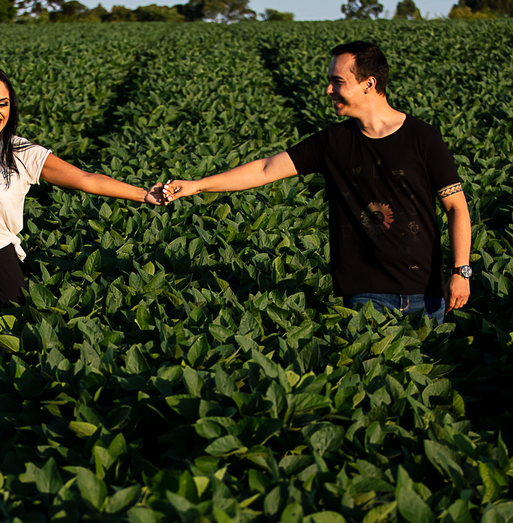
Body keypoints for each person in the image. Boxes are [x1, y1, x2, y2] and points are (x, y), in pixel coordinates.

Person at [162, 41, 471, 324]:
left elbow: (456, 206)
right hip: (365, 294)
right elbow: (266, 169)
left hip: (425, 292)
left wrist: (461, 271)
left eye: (338, 82)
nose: (328, 90)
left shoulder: (422, 137)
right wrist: (198, 185)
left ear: (369, 84)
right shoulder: (333, 142)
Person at [0, 65, 164, 332]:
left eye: (2, 104)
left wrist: (144, 194)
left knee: (6, 344)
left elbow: (86, 179)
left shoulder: (22, 152)